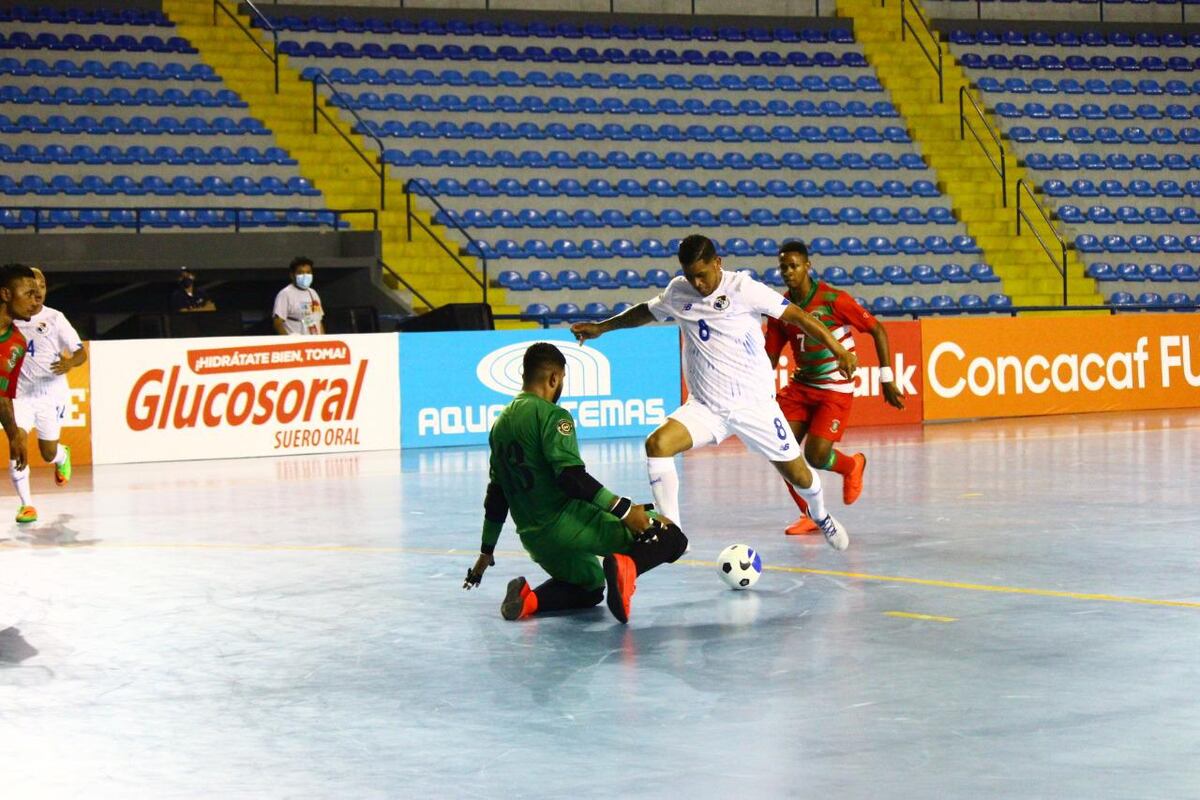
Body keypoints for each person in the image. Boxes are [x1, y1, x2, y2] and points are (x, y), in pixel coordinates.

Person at [571, 234, 858, 551]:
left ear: (718, 263)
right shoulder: (678, 290)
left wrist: (838, 351)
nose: (697, 284)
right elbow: (646, 311)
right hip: (706, 408)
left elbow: (799, 317)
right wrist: (601, 327)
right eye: (690, 276)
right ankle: (674, 535)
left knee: (800, 476)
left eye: (702, 275)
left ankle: (821, 515)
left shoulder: (743, 289)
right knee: (657, 444)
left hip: (754, 406)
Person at [463, 342, 689, 624]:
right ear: (554, 378)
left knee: (590, 586)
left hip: (535, 538)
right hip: (569, 522)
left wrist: (486, 552)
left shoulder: (499, 426)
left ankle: (528, 600)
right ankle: (628, 567)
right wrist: (626, 511)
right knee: (672, 537)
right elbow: (570, 478)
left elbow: (496, 497)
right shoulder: (552, 415)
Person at [765, 241, 906, 535]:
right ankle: (810, 514)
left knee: (816, 456)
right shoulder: (781, 309)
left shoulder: (833, 299)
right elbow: (770, 358)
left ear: (807, 266)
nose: (788, 272)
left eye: (793, 266)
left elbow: (877, 329)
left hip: (834, 389)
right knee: (781, 451)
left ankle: (852, 465)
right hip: (801, 387)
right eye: (783, 267)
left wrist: (886, 377)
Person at [11, 267, 87, 524]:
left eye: (42, 286)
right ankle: (27, 505)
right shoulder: (10, 318)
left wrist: (70, 363)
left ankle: (61, 455)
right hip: (20, 395)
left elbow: (80, 353)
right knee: (17, 443)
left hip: (50, 395)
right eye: (32, 288)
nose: (39, 292)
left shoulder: (55, 318)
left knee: (47, 453)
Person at [0, 264, 41, 522]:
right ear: (5, 294)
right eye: (28, 294)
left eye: (37, 295)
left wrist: (14, 435)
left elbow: (4, 395)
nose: (35, 302)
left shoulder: (17, 343)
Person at [272, 256, 324, 336]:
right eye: (301, 273)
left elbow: (319, 321)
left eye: (308, 272)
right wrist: (288, 341)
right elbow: (277, 322)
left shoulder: (313, 293)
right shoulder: (285, 294)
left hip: (314, 339)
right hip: (296, 340)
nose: (305, 275)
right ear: (292, 275)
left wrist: (323, 339)